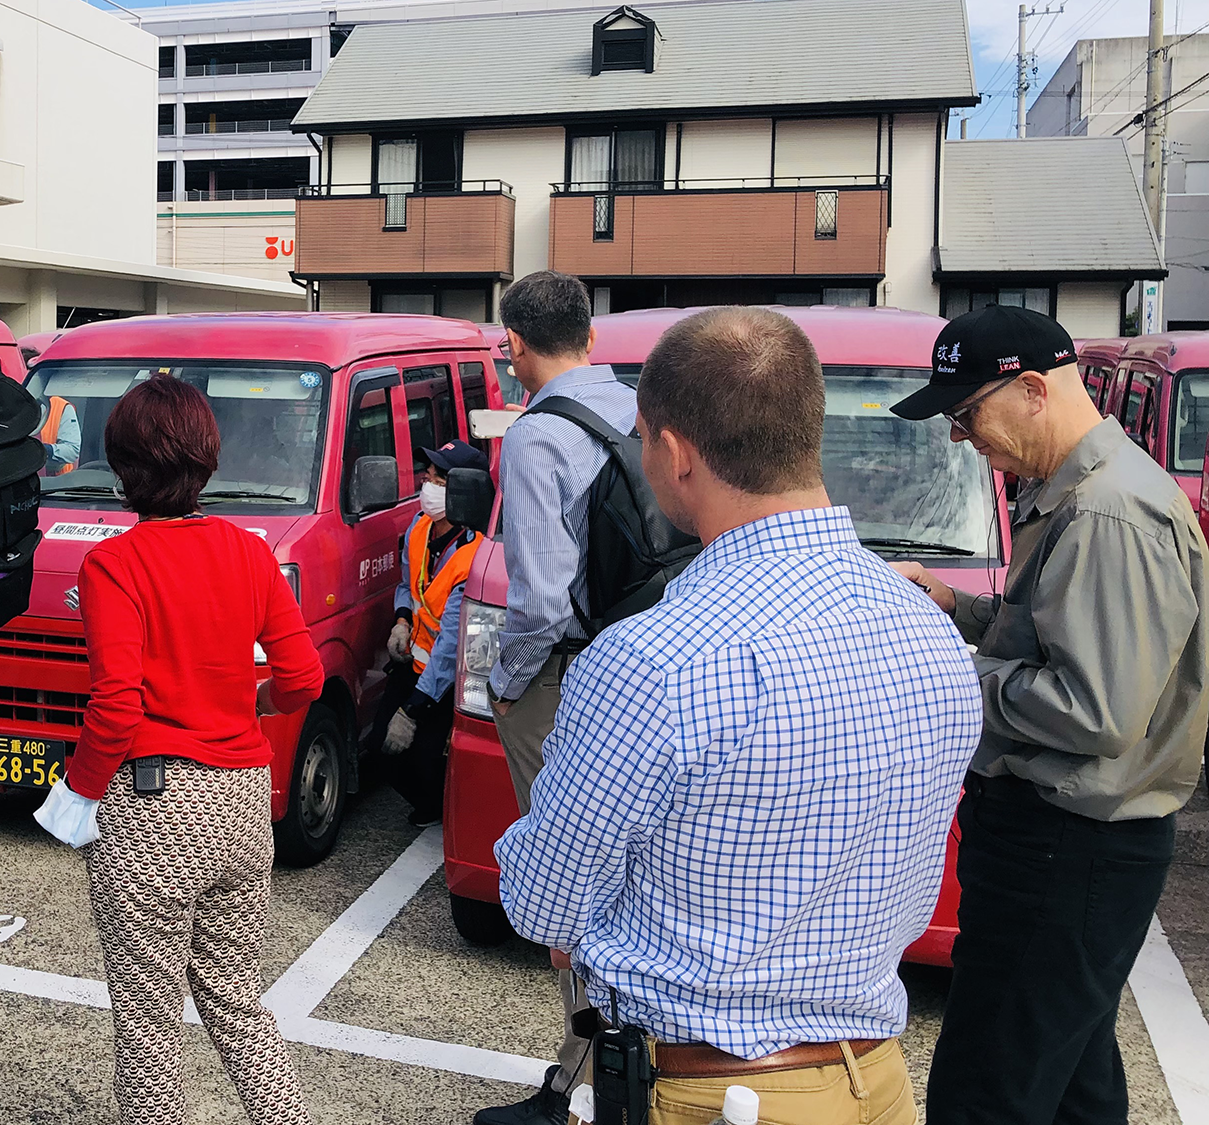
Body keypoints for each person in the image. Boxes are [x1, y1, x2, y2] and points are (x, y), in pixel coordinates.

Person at [496, 307, 981, 1125]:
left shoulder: (653, 659)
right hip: (878, 1079)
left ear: (677, 453)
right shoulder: (926, 625)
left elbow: (543, 899)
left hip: (716, 1091)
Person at [888, 305, 1208, 1125]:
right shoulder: (1079, 489)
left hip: (1069, 847)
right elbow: (1060, 636)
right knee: (1071, 1088)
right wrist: (956, 604)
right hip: (1070, 845)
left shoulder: (1108, 511)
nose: (961, 437)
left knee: (984, 1094)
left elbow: (1094, 709)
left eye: (967, 413)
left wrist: (950, 674)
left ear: (1032, 388)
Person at [31, 374, 324, 1125]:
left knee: (149, 1023)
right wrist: (252, 700)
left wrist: (77, 792)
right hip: (240, 801)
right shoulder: (249, 550)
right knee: (235, 1000)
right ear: (206, 458)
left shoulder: (113, 564)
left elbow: (117, 703)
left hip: (154, 804)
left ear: (123, 464)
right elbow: (302, 676)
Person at [474, 270, 635, 1125]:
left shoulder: (538, 438)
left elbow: (538, 598)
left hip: (565, 674)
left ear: (516, 346)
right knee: (634, 878)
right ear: (591, 337)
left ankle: (591, 1081)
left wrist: (503, 683)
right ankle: (578, 1073)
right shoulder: (631, 405)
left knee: (568, 889)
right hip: (641, 666)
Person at [377, 439, 488, 828]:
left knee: (423, 757)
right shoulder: (420, 527)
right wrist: (403, 619)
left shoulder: (474, 556)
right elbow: (408, 583)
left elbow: (451, 643)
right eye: (428, 476)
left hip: (443, 678)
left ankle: (439, 808)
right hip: (412, 659)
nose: (428, 485)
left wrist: (414, 709)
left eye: (438, 479)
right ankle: (430, 803)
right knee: (383, 748)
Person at [39, 393, 81, 474]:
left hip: (58, 483)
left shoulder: (61, 407)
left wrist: (45, 450)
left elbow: (72, 451)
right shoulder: (13, 407)